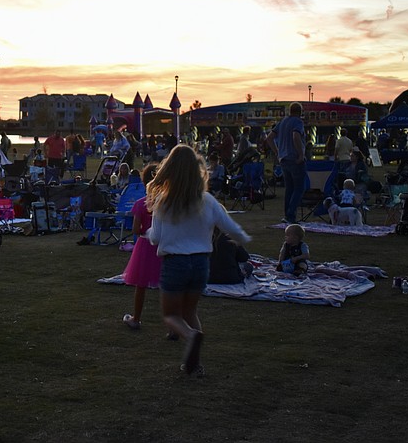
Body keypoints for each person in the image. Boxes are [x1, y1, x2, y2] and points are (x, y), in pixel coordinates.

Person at [146, 145, 251, 376]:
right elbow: (231, 227)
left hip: (175, 263)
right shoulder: (208, 201)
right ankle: (196, 364)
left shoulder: (164, 201)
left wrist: (148, 235)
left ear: (169, 169)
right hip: (202, 263)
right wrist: (243, 239)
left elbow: (156, 238)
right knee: (190, 312)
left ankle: (191, 337)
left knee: (171, 315)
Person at [121, 164, 161, 330]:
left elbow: (135, 229)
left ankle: (136, 318)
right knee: (167, 284)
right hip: (163, 244)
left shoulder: (140, 204)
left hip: (145, 245)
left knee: (141, 284)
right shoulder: (165, 203)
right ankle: (173, 324)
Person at [265, 102, 306, 225]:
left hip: (283, 159)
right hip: (294, 158)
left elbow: (269, 138)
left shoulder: (282, 122)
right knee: (299, 188)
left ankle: (287, 216)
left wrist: (278, 152)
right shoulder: (298, 122)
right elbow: (296, 136)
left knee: (289, 188)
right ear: (300, 112)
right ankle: (290, 215)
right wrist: (301, 154)